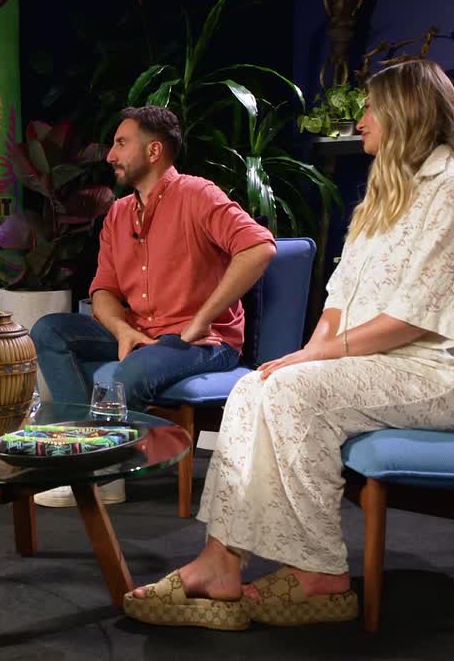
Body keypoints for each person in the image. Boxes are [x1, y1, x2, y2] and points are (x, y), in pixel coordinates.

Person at [123, 59, 454, 630]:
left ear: (405, 112)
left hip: (449, 375)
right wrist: (299, 357)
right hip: (385, 365)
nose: (361, 120)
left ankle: (320, 577)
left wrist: (312, 360)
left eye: (371, 107)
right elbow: (338, 303)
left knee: (294, 393)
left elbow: (413, 320)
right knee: (254, 387)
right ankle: (220, 562)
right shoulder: (387, 191)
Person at [29, 106, 277, 508]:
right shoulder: (118, 213)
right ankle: (85, 456)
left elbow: (259, 247)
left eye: (121, 144)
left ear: (154, 151)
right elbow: (103, 289)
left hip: (201, 341)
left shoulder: (197, 195)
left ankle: (104, 472)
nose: (111, 155)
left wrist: (202, 318)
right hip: (143, 330)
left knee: (127, 375)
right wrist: (122, 330)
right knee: (49, 330)